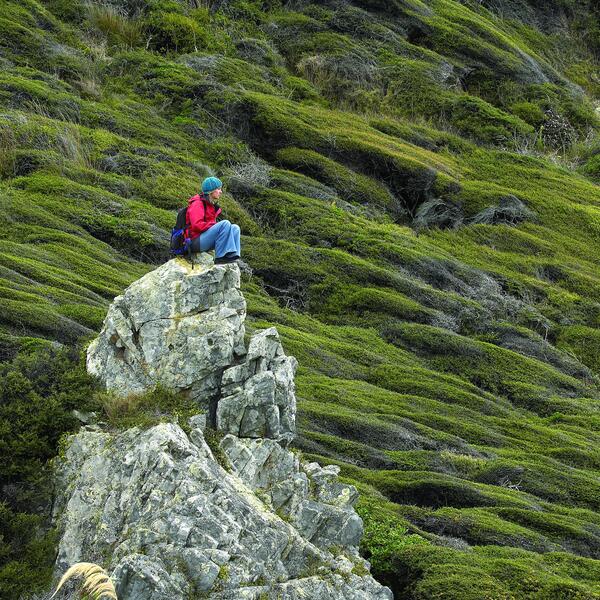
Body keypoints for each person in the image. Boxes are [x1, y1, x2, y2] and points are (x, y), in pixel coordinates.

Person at [188, 176, 241, 264]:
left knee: (235, 228)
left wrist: (214, 226)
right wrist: (214, 225)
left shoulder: (210, 205)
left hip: (203, 238)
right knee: (225, 224)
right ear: (211, 190)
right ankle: (220, 258)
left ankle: (232, 256)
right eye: (218, 189)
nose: (221, 191)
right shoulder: (197, 204)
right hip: (194, 242)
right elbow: (196, 225)